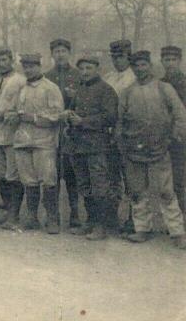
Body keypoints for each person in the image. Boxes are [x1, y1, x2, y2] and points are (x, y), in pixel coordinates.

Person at [116, 50, 186, 249]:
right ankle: (142, 229)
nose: (140, 69)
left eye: (143, 64)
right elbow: (120, 121)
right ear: (133, 68)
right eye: (136, 65)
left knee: (166, 191)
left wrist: (173, 137)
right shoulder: (127, 92)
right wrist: (122, 143)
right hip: (134, 149)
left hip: (159, 148)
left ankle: (177, 232)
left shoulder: (164, 88)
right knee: (138, 191)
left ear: (150, 65)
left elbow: (180, 115)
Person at [62, 55, 118, 240]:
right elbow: (73, 110)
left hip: (97, 146)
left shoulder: (106, 90)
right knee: (84, 184)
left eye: (89, 68)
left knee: (99, 185)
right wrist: (69, 115)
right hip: (78, 146)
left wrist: (83, 121)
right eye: (82, 69)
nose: (85, 72)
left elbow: (110, 117)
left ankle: (101, 226)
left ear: (97, 69)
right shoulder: (79, 89)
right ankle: (91, 221)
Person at [9, 53, 65, 234]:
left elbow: (57, 116)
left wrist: (32, 118)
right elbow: (12, 109)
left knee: (48, 180)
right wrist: (12, 116)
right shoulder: (20, 88)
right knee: (28, 181)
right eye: (25, 66)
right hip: (23, 141)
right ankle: (32, 217)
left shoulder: (50, 88)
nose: (28, 70)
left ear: (39, 67)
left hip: (44, 141)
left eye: (32, 66)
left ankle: (52, 218)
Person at [0, 47, 26, 228]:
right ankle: (7, 209)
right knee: (0, 175)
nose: (1, 64)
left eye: (4, 60)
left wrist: (7, 113)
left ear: (11, 60)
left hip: (11, 132)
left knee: (13, 174)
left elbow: (22, 104)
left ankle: (14, 215)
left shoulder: (20, 81)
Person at [44, 38, 82, 230]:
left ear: (69, 53)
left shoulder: (78, 75)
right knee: (52, 173)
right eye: (56, 51)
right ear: (52, 54)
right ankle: (53, 216)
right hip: (51, 132)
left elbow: (86, 100)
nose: (60, 55)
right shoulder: (46, 76)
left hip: (72, 131)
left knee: (72, 173)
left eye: (63, 51)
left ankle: (75, 213)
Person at [103, 39, 136, 233]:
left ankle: (134, 220)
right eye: (114, 57)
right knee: (111, 177)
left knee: (131, 179)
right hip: (108, 134)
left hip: (128, 134)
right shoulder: (108, 77)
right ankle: (112, 219)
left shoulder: (134, 77)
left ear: (128, 56)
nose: (117, 61)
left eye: (121, 57)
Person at [159, 45, 186, 219]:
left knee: (180, 179)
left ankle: (181, 219)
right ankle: (174, 219)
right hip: (164, 137)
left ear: (180, 61)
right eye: (166, 60)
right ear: (161, 61)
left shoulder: (184, 82)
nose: (170, 63)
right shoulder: (159, 83)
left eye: (173, 60)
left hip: (181, 136)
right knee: (168, 180)